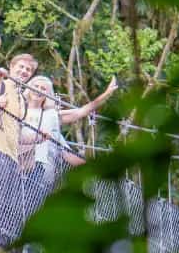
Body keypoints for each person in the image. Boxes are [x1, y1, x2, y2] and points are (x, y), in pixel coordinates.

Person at [18, 72, 120, 207]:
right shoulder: (17, 108)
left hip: (39, 167)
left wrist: (106, 94)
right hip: (18, 162)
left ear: (48, 94)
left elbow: (82, 111)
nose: (38, 90)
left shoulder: (51, 116)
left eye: (43, 89)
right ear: (29, 88)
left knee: (31, 205)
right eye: (36, 86)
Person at [0, 52, 40, 241]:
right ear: (12, 66)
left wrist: (37, 139)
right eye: (21, 67)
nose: (24, 71)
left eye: (28, 70)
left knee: (2, 199)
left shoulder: (22, 98)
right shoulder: (2, 83)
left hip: (12, 153)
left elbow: (17, 131)